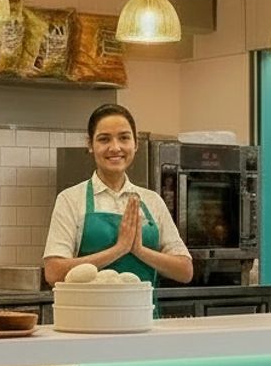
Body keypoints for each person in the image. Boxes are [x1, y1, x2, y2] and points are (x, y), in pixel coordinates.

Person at [43, 104, 193, 286]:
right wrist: (119, 249)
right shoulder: (70, 199)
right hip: (89, 313)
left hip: (143, 313)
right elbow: (54, 272)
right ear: (90, 145)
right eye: (104, 139)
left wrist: (139, 250)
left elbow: (185, 270)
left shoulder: (152, 201)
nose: (115, 148)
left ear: (135, 144)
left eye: (124, 138)